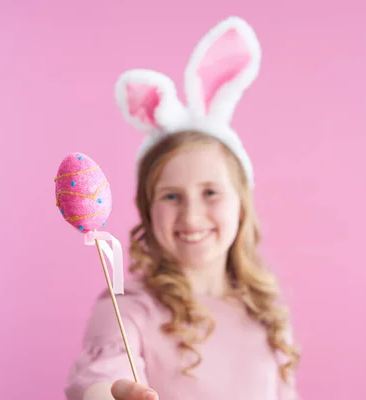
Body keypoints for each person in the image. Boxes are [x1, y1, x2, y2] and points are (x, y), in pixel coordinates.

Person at [64, 17, 301, 400]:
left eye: (210, 192)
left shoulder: (265, 310)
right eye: (171, 196)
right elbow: (102, 378)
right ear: (147, 209)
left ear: (243, 203)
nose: (191, 216)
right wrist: (107, 394)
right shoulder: (130, 311)